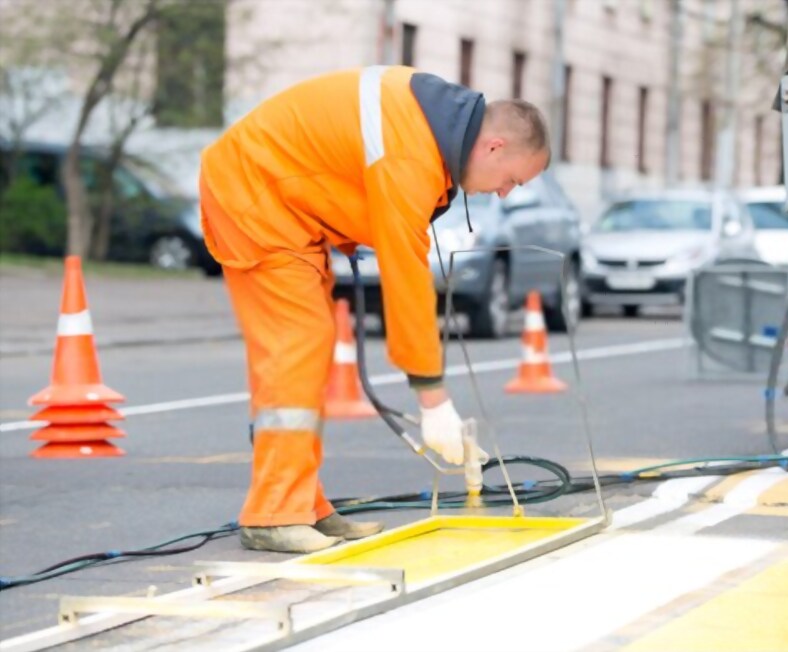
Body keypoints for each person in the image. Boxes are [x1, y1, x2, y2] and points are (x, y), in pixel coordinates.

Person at [199, 66, 551, 553]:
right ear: (494, 147)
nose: (506, 192)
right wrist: (432, 397)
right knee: (297, 346)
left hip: (285, 206)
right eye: (513, 179)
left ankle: (303, 505)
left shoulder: (432, 126)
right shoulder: (415, 151)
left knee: (307, 352)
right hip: (256, 199)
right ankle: (274, 514)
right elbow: (406, 273)